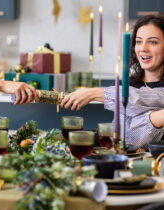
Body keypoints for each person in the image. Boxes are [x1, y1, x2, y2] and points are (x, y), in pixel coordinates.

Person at [61, 15, 164, 147]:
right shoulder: (124, 85)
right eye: (138, 41)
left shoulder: (121, 90)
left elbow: (151, 97)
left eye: (153, 42)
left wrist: (95, 93)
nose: (143, 48)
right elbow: (126, 136)